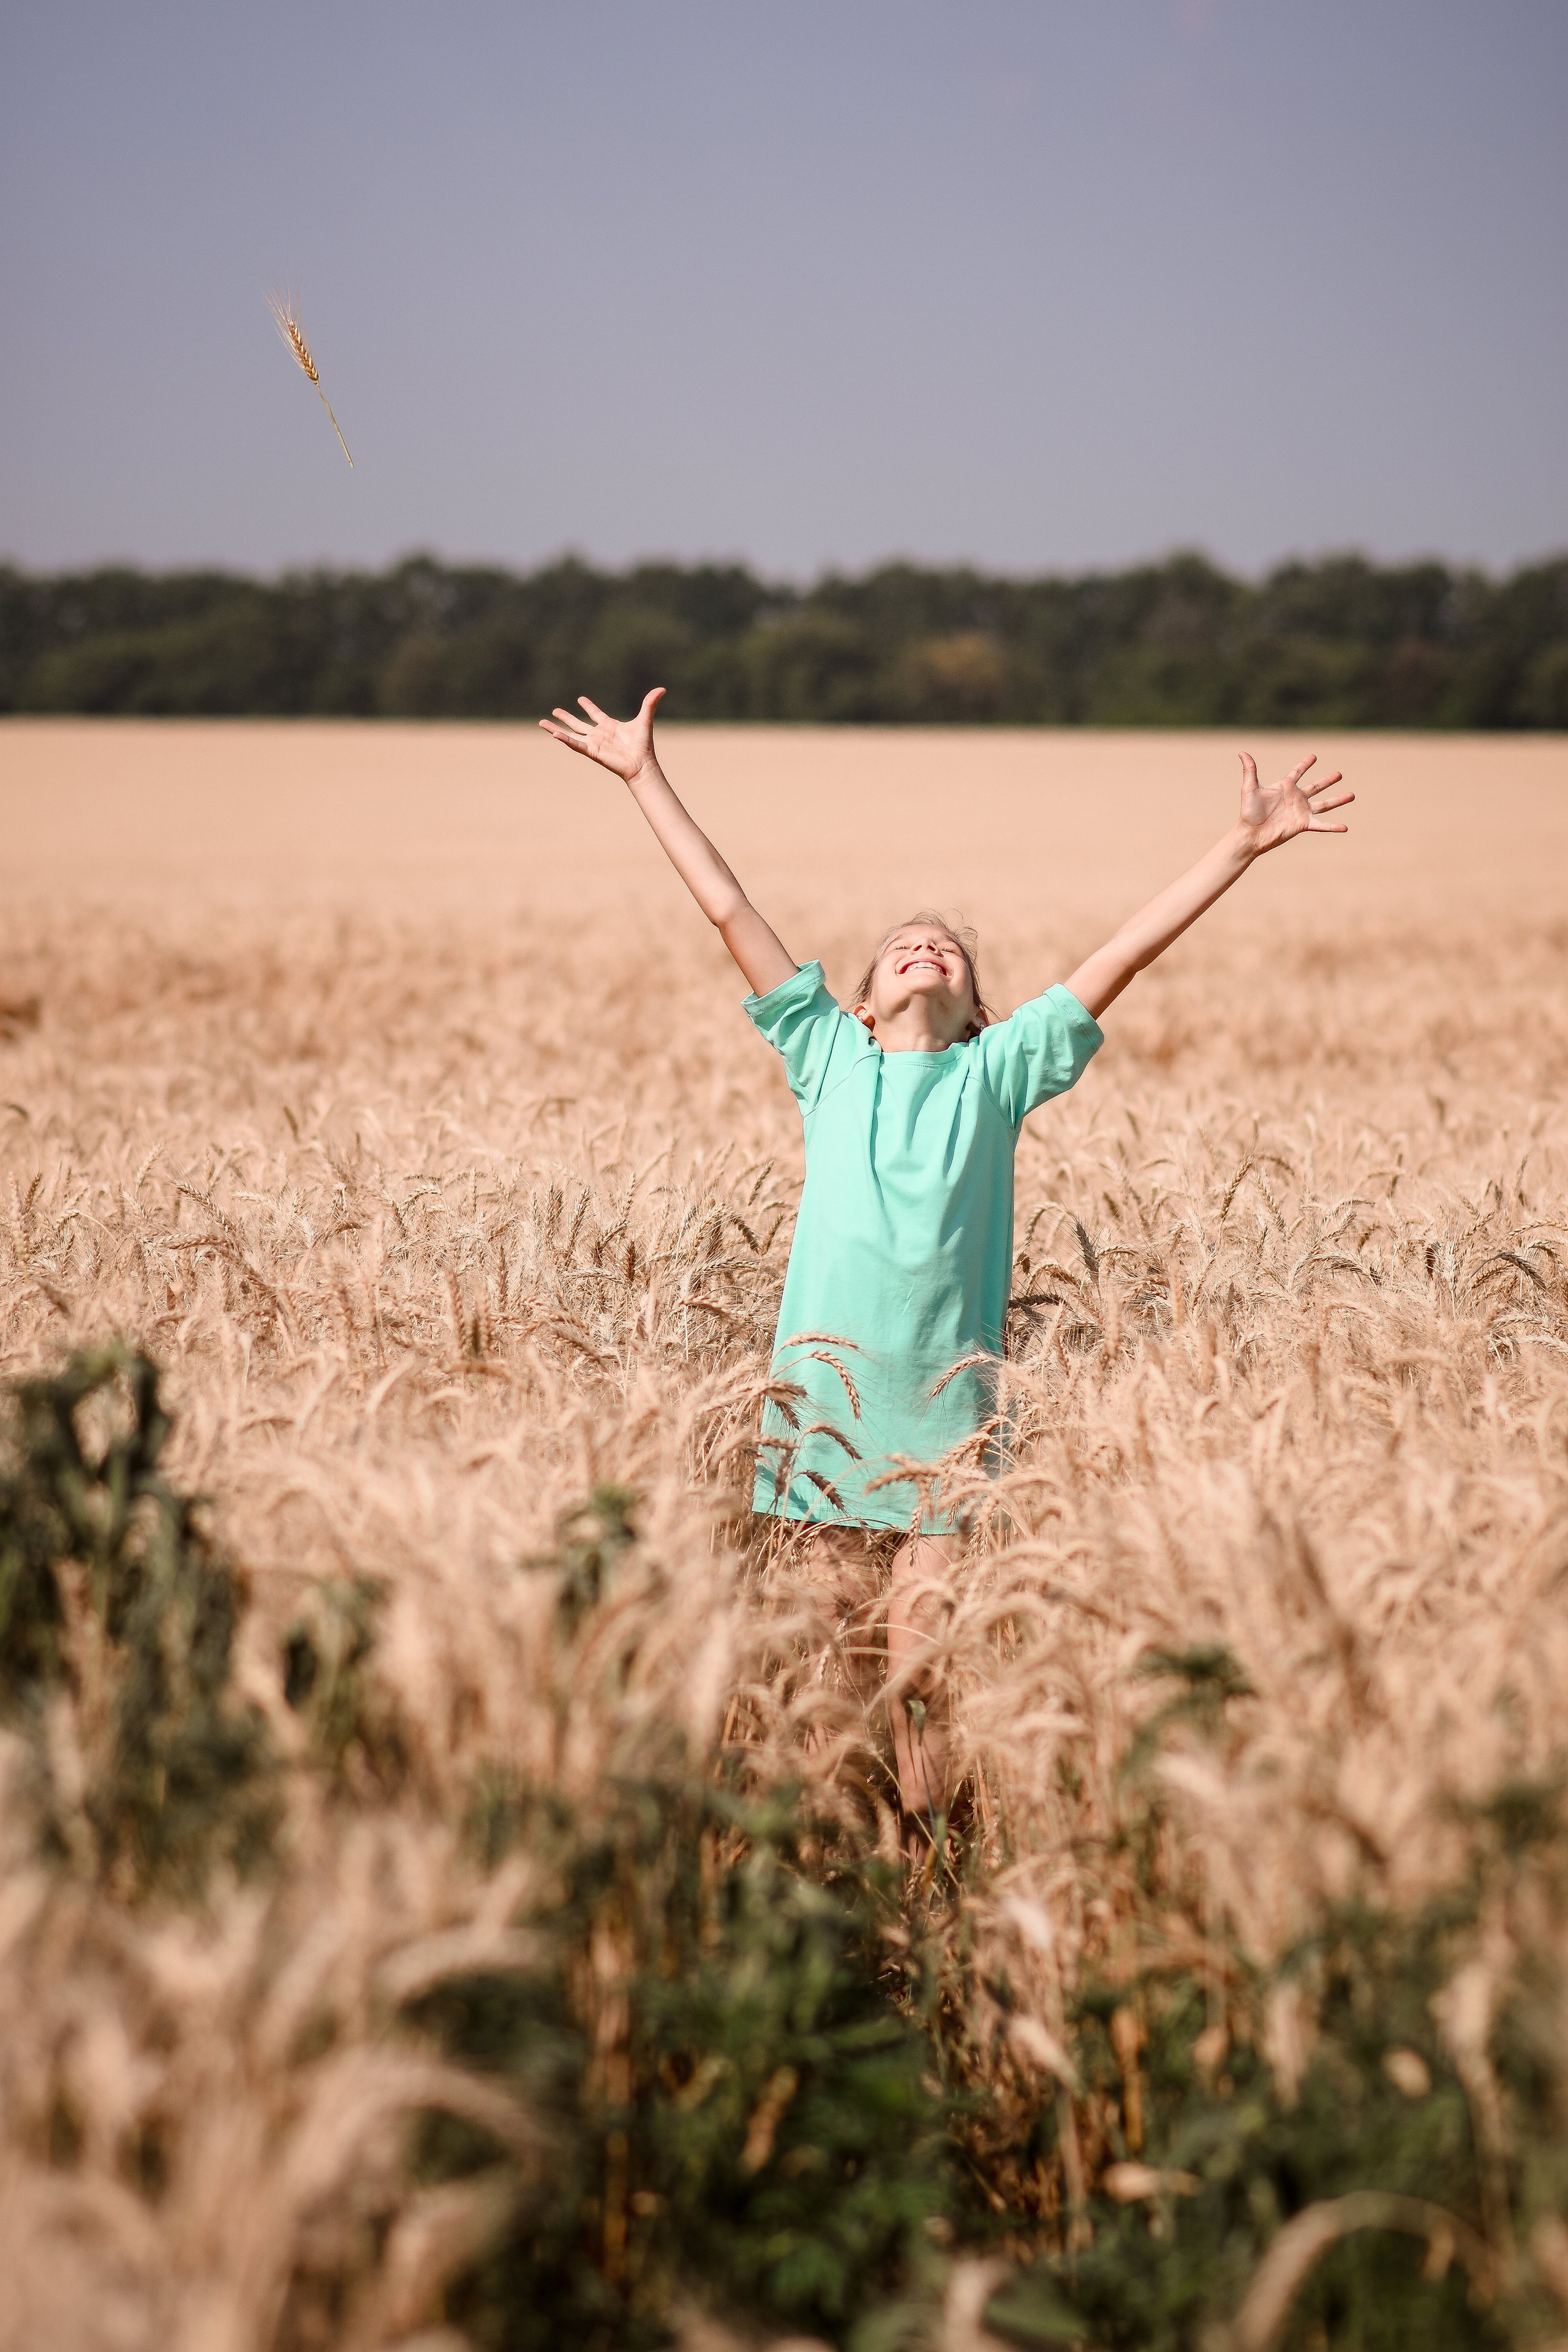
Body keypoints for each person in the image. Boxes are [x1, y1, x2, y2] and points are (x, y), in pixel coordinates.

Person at [540, 688, 1351, 1849]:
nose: (927, 946)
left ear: (981, 1012)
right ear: (860, 1005)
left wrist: (1239, 845)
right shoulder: (825, 1056)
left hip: (946, 1427)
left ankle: (925, 1871)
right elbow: (726, 906)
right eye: (901, 949)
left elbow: (1122, 952)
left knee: (919, 1676)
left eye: (953, 951)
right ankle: (824, 1871)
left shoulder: (998, 1075)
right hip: (820, 1421)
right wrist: (642, 776)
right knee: (830, 1676)